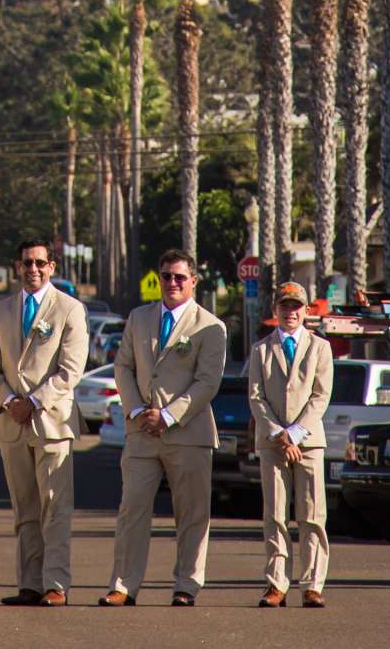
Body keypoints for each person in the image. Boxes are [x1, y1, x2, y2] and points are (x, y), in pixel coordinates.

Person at [103, 249, 227, 606]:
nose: (172, 283)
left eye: (179, 277)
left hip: (189, 433)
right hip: (142, 431)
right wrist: (139, 410)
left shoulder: (210, 326)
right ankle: (123, 585)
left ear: (193, 281)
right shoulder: (139, 318)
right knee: (132, 510)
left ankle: (186, 585)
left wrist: (169, 415)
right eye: (166, 276)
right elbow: (123, 367)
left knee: (191, 514)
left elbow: (207, 382)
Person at [0, 236, 88, 606]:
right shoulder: (1, 311)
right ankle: (29, 583)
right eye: (27, 263)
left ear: (52, 266)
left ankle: (55, 584)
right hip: (12, 422)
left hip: (52, 422)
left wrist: (34, 402)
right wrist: (10, 401)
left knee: (55, 507)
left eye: (41, 263)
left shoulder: (69, 309)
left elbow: (70, 370)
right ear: (17, 267)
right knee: (25, 509)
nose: (33, 269)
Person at [250, 281, 334, 608]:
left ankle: (312, 584)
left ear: (306, 311)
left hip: (309, 442)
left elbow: (321, 395)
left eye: (297, 306)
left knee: (312, 515)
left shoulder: (320, 348)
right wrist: (278, 433)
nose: (291, 312)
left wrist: (296, 433)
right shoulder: (260, 350)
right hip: (273, 443)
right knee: (274, 515)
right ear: (276, 310)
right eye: (285, 306)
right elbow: (256, 398)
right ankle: (276, 584)